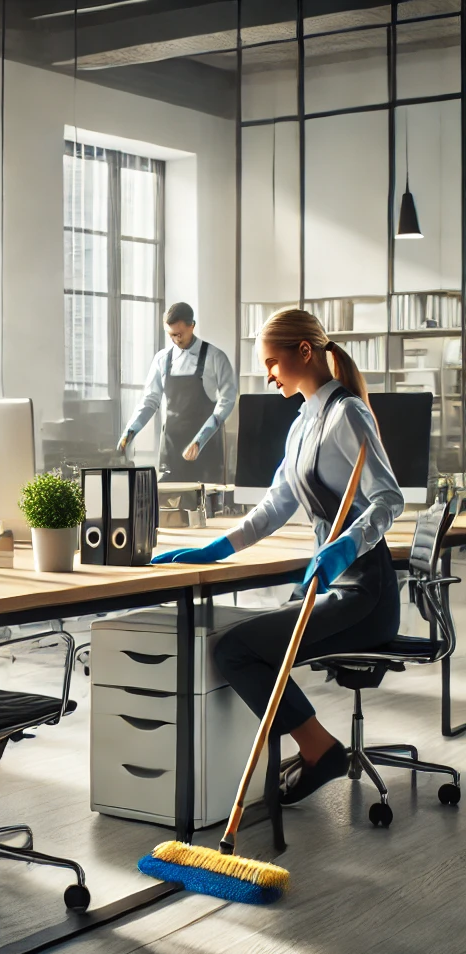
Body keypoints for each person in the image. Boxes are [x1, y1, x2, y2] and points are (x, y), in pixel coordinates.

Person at [153, 308, 403, 805]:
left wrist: (345, 546)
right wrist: (217, 549)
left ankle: (318, 749)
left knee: (237, 650)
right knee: (239, 645)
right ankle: (316, 749)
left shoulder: (347, 413)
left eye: (271, 362)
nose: (267, 374)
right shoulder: (304, 422)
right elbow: (274, 506)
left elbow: (388, 498)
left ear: (303, 352)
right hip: (332, 588)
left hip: (364, 595)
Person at [117, 301, 237, 483]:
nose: (175, 339)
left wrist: (200, 440)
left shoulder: (215, 357)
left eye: (179, 334)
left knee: (204, 506)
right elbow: (150, 401)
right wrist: (129, 432)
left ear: (192, 326)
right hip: (172, 448)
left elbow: (227, 400)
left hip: (206, 449)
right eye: (171, 335)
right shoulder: (162, 359)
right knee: (169, 505)